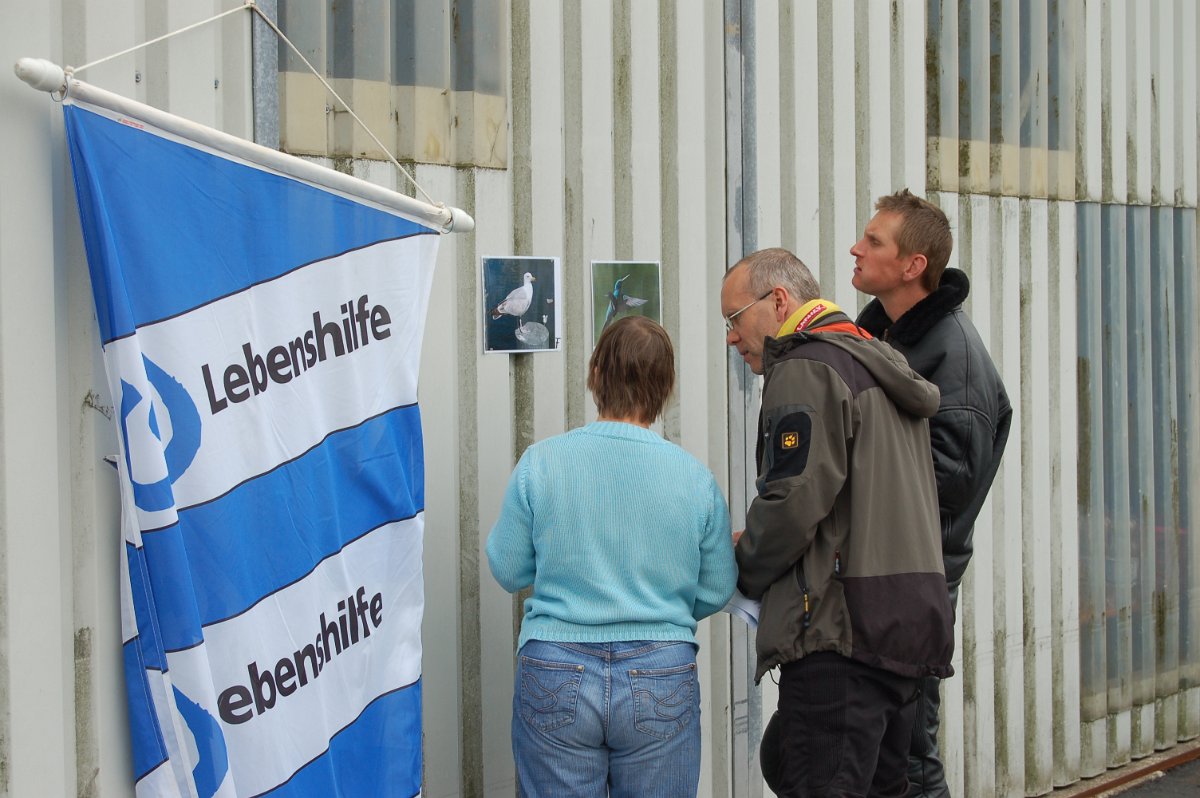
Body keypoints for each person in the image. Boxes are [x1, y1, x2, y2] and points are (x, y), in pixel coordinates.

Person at [721, 247, 954, 797]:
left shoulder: (806, 365)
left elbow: (793, 501)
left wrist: (744, 564)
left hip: (839, 632)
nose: (731, 338)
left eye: (734, 319)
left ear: (778, 301)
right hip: (904, 627)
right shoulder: (876, 362)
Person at [486, 315, 738, 798]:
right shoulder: (694, 479)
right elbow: (716, 589)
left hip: (555, 666)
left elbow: (508, 567)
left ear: (595, 372)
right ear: (665, 388)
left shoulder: (541, 462)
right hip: (662, 668)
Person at [851, 189, 1012, 798]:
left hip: (916, 583)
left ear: (913, 265)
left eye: (874, 241)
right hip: (876, 576)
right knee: (869, 749)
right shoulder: (880, 337)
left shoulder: (954, 355)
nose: (856, 249)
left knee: (909, 754)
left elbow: (950, 482)